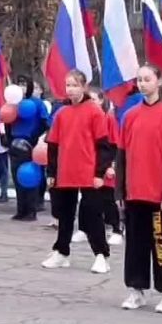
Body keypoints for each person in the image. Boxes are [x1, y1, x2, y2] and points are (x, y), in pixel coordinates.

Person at [117, 65, 162, 313]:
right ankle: (136, 289)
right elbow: (121, 155)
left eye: (147, 79)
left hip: (159, 195)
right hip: (135, 192)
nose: (143, 84)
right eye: (139, 80)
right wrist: (120, 192)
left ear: (159, 82)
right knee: (135, 243)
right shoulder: (130, 115)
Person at [42, 70, 113, 274]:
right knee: (64, 214)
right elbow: (53, 145)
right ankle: (62, 252)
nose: (70, 89)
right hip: (66, 171)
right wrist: (52, 172)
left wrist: (99, 173)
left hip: (89, 171)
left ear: (84, 87)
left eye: (74, 85)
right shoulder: (62, 113)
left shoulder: (94, 111)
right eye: (68, 85)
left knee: (92, 214)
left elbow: (104, 145)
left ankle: (101, 254)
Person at [7, 86, 49, 221]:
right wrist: (8, 140)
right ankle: (21, 210)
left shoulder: (37, 103)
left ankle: (31, 210)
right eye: (19, 84)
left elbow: (45, 122)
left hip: (30, 144)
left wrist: (35, 138)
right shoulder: (13, 104)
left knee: (29, 175)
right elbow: (7, 120)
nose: (21, 87)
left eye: (24, 84)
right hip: (14, 144)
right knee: (16, 177)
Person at [89, 88, 122, 245]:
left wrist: (112, 166)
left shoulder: (108, 119)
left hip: (105, 165)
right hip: (90, 164)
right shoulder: (87, 118)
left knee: (108, 198)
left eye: (94, 99)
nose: (91, 102)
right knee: (92, 200)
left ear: (101, 100)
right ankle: (88, 228)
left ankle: (116, 228)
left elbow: (115, 145)